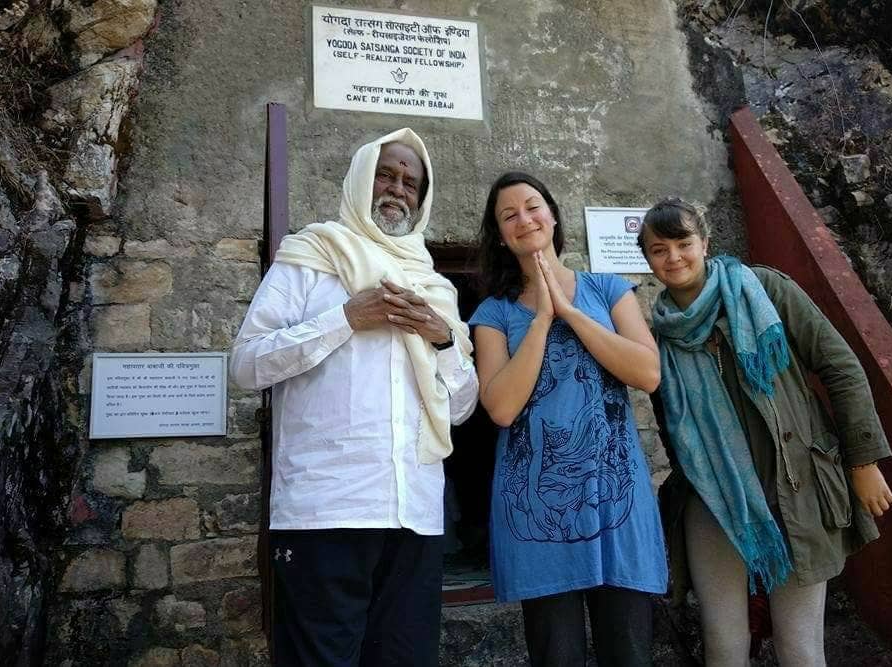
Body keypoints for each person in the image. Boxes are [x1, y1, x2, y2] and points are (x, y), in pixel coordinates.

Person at [230, 128, 478, 667]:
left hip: (414, 511)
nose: (397, 190)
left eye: (411, 182)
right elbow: (246, 365)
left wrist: (441, 339)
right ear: (361, 178)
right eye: (386, 175)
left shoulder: (434, 287)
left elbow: (460, 407)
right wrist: (345, 318)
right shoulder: (310, 255)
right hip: (326, 508)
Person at [640, 197, 892, 666]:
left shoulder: (762, 289)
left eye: (683, 243)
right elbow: (668, 422)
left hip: (794, 490)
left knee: (799, 648)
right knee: (724, 646)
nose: (674, 257)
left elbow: (840, 366)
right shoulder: (657, 335)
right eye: (659, 249)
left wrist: (864, 461)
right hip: (713, 502)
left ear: (705, 243)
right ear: (648, 259)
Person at [469, 172, 668, 667]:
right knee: (557, 656)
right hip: (539, 510)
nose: (524, 219)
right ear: (499, 235)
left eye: (532, 207)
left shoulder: (607, 289)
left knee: (630, 654)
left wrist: (571, 313)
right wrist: (540, 321)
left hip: (615, 499)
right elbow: (501, 407)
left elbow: (647, 372)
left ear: (553, 216)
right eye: (508, 215)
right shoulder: (494, 314)